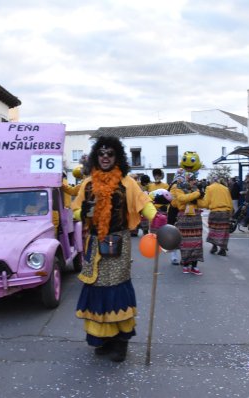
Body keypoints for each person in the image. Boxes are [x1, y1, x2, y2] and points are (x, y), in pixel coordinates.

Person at [72, 136, 158, 362]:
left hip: (118, 242)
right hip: (94, 242)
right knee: (97, 287)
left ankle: (121, 342)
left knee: (117, 287)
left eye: (110, 153)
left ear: (117, 156)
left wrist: (156, 218)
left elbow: (143, 203)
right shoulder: (87, 183)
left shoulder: (127, 182)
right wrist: (84, 213)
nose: (105, 157)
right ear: (95, 157)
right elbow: (75, 211)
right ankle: (104, 339)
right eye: (101, 154)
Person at [171, 172, 205, 275]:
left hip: (196, 219)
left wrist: (197, 198)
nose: (194, 181)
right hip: (184, 219)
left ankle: (194, 266)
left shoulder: (196, 189)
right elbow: (182, 199)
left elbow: (204, 203)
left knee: (197, 242)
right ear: (186, 180)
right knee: (185, 242)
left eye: (194, 179)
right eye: (192, 179)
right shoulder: (178, 188)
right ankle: (185, 264)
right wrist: (196, 195)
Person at [199, 175, 233, 256]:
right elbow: (230, 202)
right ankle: (223, 249)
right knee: (224, 232)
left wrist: (197, 202)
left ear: (211, 181)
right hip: (225, 212)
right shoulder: (225, 188)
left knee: (213, 230)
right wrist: (231, 213)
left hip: (215, 212)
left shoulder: (209, 188)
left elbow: (206, 203)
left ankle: (214, 246)